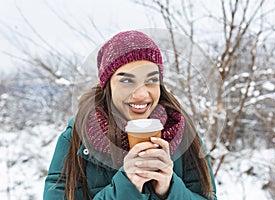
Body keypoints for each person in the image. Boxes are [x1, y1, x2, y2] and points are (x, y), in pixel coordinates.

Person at [43, 30, 217, 200]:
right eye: (126, 80)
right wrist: (126, 185)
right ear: (107, 85)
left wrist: (169, 189)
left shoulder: (184, 133)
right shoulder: (77, 137)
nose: (141, 94)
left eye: (151, 80)